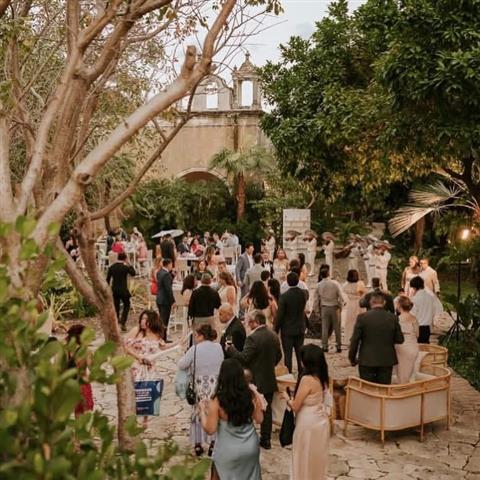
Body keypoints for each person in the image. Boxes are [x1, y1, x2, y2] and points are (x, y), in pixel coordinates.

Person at [199, 358, 264, 479]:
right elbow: (260, 419)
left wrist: (202, 411)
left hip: (227, 450)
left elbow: (210, 429)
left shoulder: (218, 400)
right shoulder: (251, 395)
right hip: (250, 447)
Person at [226, 311, 282, 450]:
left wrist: (231, 349)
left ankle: (247, 438)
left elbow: (244, 357)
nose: (248, 325)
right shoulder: (273, 335)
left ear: (255, 322)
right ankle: (266, 439)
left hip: (255, 379)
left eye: (249, 322)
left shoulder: (253, 338)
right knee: (266, 409)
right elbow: (279, 356)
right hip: (269, 377)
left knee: (250, 409)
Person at [283, 344, 330, 480]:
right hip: (319, 421)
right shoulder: (322, 377)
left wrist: (287, 398)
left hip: (307, 422)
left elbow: (296, 406)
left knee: (302, 455)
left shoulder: (306, 379)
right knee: (315, 457)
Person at [125, 310, 179, 427]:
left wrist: (178, 342)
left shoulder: (156, 334)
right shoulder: (136, 331)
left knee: (149, 393)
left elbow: (163, 346)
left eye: (146, 319)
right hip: (137, 366)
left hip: (150, 368)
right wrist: (138, 357)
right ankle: (132, 418)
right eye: (142, 319)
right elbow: (126, 346)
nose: (143, 322)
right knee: (135, 393)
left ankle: (145, 419)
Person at [178, 324, 224, 456]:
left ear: (202, 335)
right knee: (214, 413)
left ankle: (198, 444)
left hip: (200, 384)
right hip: (214, 384)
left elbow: (182, 364)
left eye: (197, 335)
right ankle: (214, 443)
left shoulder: (195, 349)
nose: (196, 337)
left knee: (199, 413)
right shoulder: (218, 347)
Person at [349, 293, 404, 384]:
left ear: (371, 303)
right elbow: (400, 339)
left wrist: (352, 358)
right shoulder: (392, 318)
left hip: (367, 359)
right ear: (384, 303)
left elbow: (355, 340)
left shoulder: (362, 317)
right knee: (383, 389)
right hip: (386, 359)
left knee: (367, 389)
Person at [275, 272, 307, 373]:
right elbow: (302, 311)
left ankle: (288, 376)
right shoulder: (303, 294)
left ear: (287, 282)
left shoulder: (284, 296)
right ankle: (301, 375)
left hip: (287, 329)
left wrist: (276, 329)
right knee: (299, 354)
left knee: (288, 355)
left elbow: (280, 315)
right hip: (300, 327)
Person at [66, 324, 94, 417]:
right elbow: (92, 368)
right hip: (83, 385)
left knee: (77, 413)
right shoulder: (86, 351)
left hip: (71, 385)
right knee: (86, 413)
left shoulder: (66, 350)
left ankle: (78, 431)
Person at [316, 264, 344, 353]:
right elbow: (341, 295)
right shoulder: (335, 283)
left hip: (324, 307)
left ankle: (324, 346)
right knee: (337, 327)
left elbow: (316, 299)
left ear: (321, 275)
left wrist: (316, 310)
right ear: (328, 274)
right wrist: (342, 305)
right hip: (335, 307)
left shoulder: (319, 285)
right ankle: (338, 345)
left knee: (324, 327)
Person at [106, 252, 136, 331]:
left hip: (115, 290)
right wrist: (129, 264)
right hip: (123, 290)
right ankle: (123, 322)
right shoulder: (125, 267)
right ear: (125, 258)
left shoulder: (112, 267)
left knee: (116, 307)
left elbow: (107, 280)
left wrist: (108, 289)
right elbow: (133, 273)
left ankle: (116, 322)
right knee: (127, 305)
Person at [410, 275, 443, 344]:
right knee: (425, 346)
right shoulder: (430, 297)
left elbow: (412, 314)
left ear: (414, 287)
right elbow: (439, 308)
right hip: (427, 327)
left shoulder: (414, 299)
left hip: (417, 327)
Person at [394, 296, 420, 383]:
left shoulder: (397, 319)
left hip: (401, 348)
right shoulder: (414, 318)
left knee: (401, 372)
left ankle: (403, 389)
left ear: (399, 306)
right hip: (413, 348)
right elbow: (417, 334)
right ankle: (408, 387)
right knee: (409, 372)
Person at [342, 269, 367, 346]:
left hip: (351, 304)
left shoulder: (346, 285)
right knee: (361, 322)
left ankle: (349, 339)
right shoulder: (360, 284)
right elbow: (364, 293)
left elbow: (344, 291)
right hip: (360, 303)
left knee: (349, 322)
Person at [156, 258, 175, 341]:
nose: (172, 266)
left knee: (162, 320)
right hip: (165, 300)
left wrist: (173, 275)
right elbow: (168, 289)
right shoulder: (166, 274)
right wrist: (173, 301)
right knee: (164, 321)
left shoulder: (159, 272)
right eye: (171, 264)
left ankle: (162, 337)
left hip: (159, 298)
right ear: (168, 264)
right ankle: (162, 339)